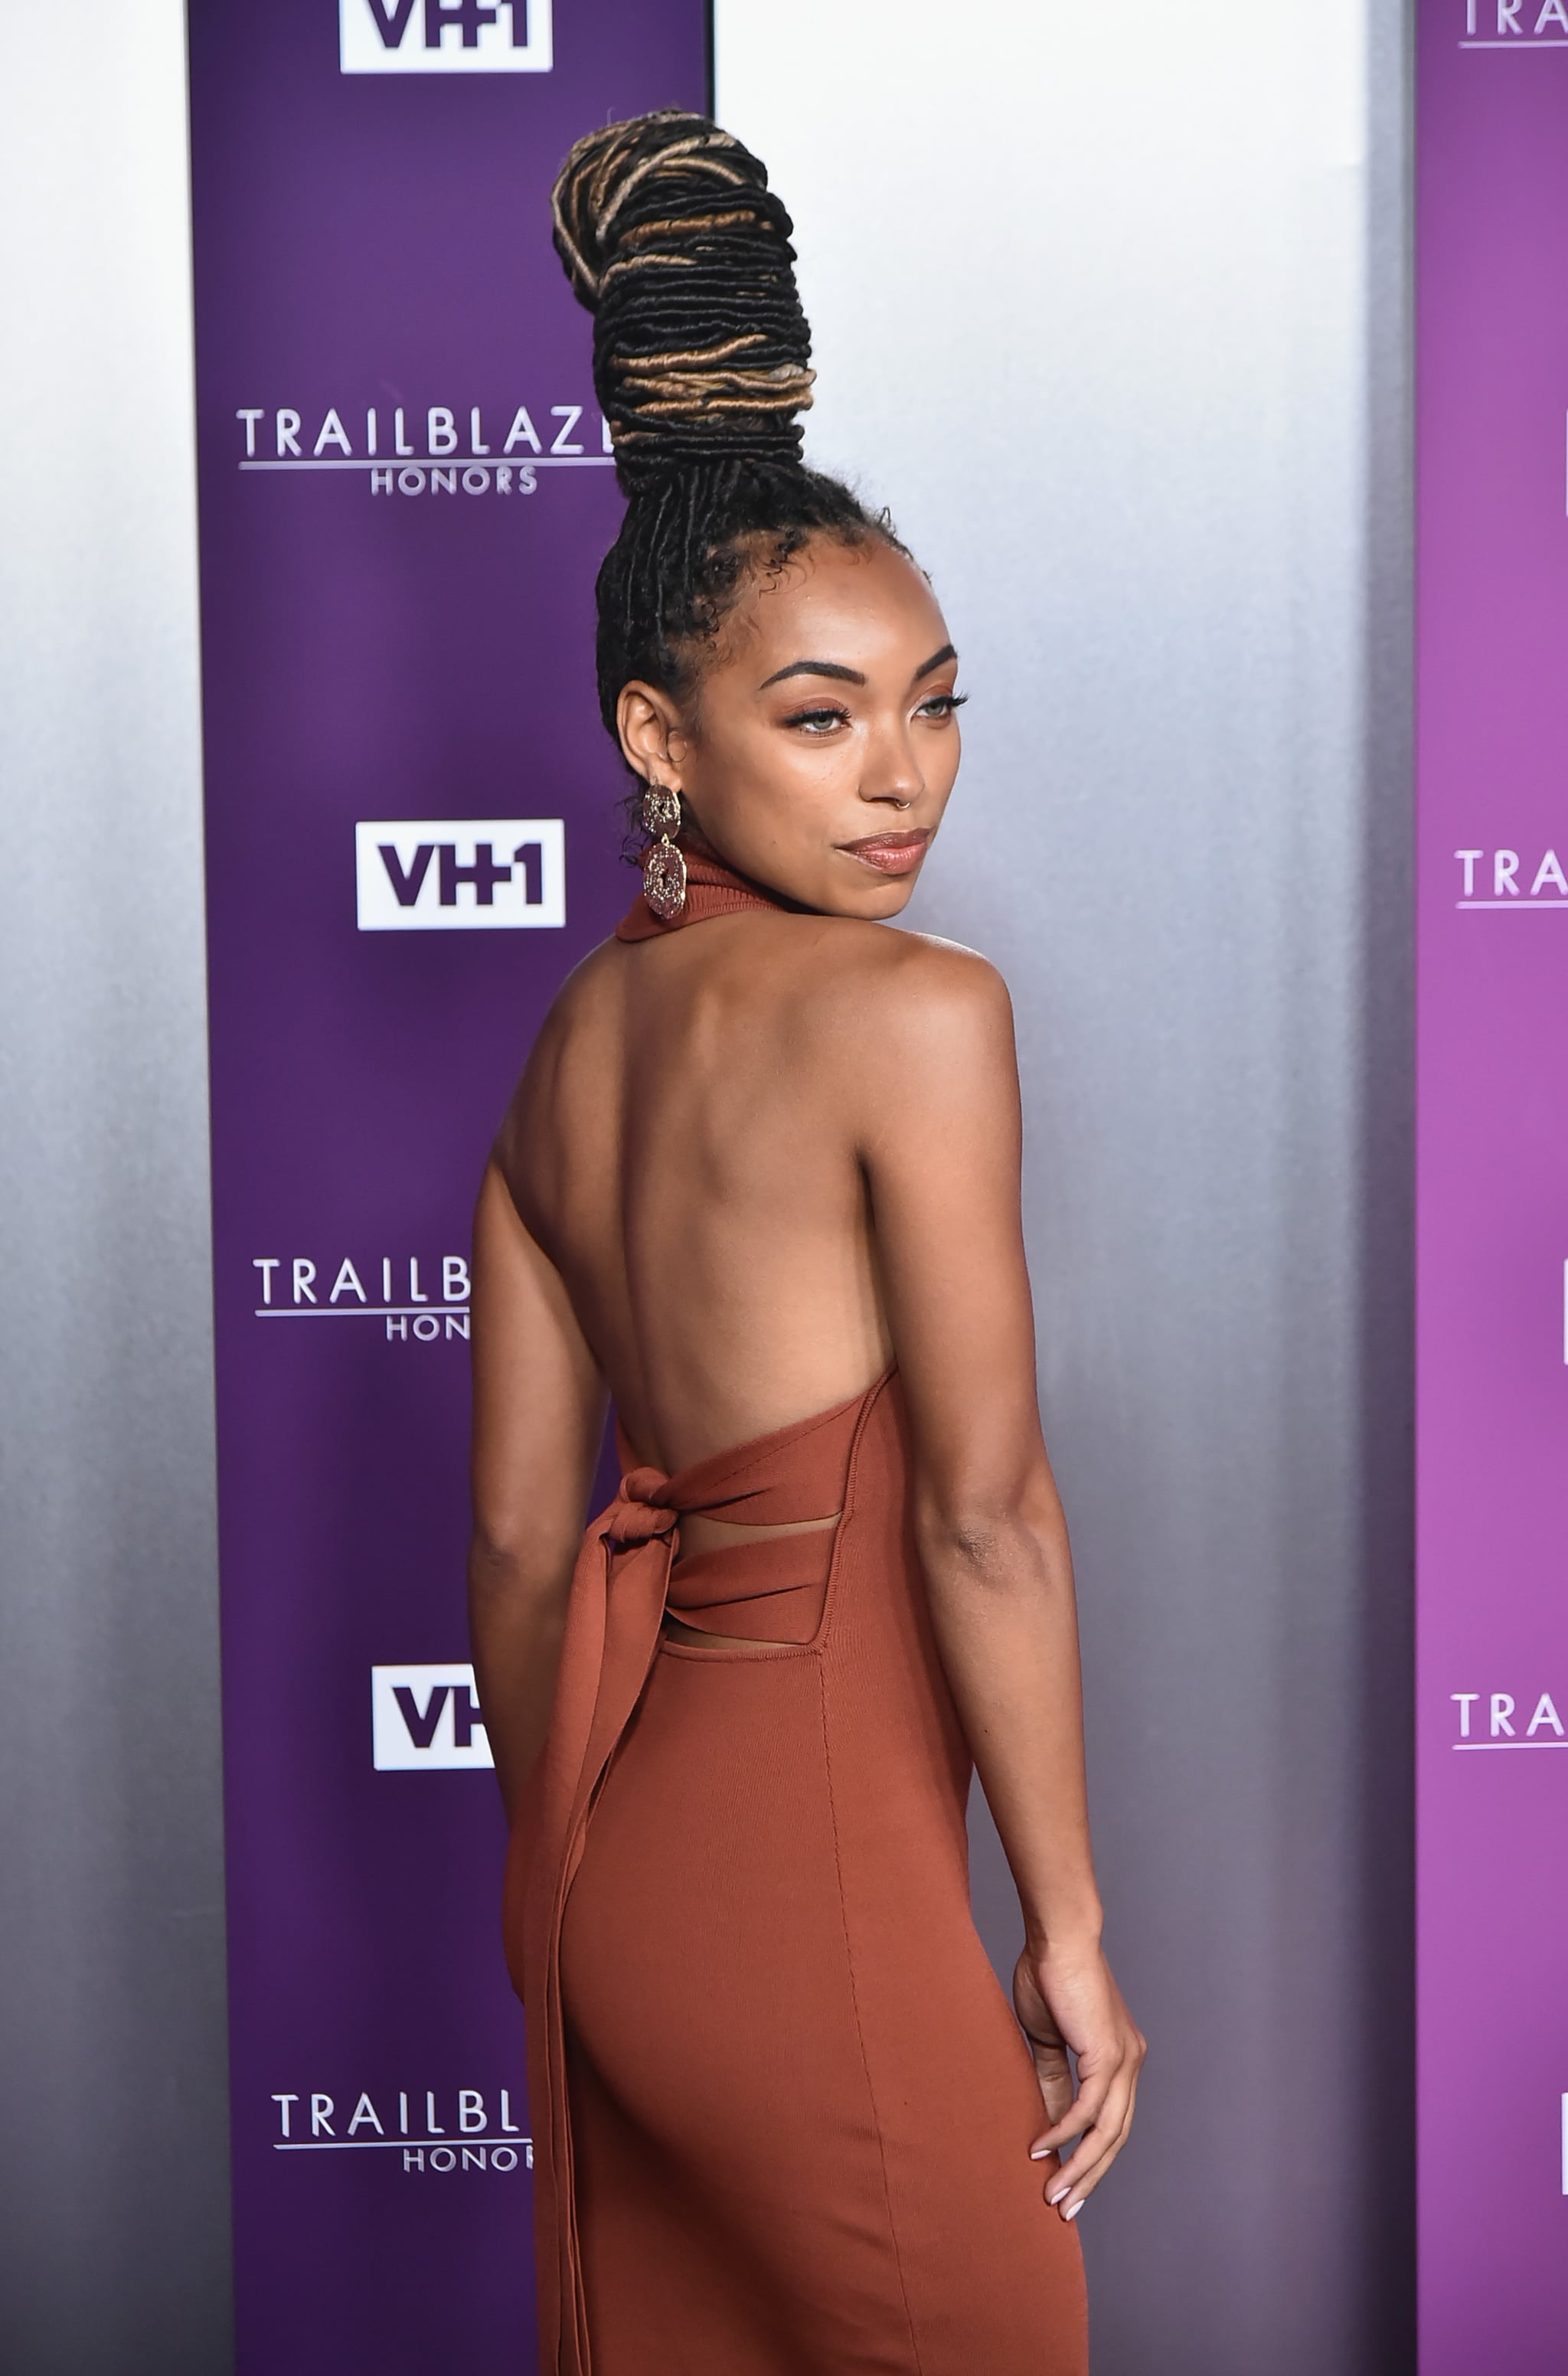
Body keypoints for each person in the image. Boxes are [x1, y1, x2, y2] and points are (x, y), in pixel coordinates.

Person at [469, 109, 1144, 2376]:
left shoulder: (562, 1058)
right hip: (816, 1921)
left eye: (935, 704)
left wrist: (556, 1897)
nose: (902, 777)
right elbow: (981, 1517)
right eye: (821, 716)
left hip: (616, 1890)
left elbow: (519, 1551)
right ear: (656, 737)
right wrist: (1064, 1930)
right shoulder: (916, 1017)